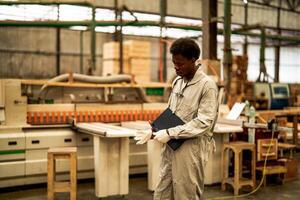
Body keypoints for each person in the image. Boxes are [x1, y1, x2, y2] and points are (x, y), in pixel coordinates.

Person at [135, 38, 219, 200]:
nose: (176, 67)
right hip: (171, 146)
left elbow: (204, 122)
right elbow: (171, 113)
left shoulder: (206, 86)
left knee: (185, 194)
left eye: (180, 64)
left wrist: (170, 132)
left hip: (191, 149)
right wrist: (154, 130)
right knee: (162, 192)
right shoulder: (178, 82)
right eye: (174, 63)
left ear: (193, 61)